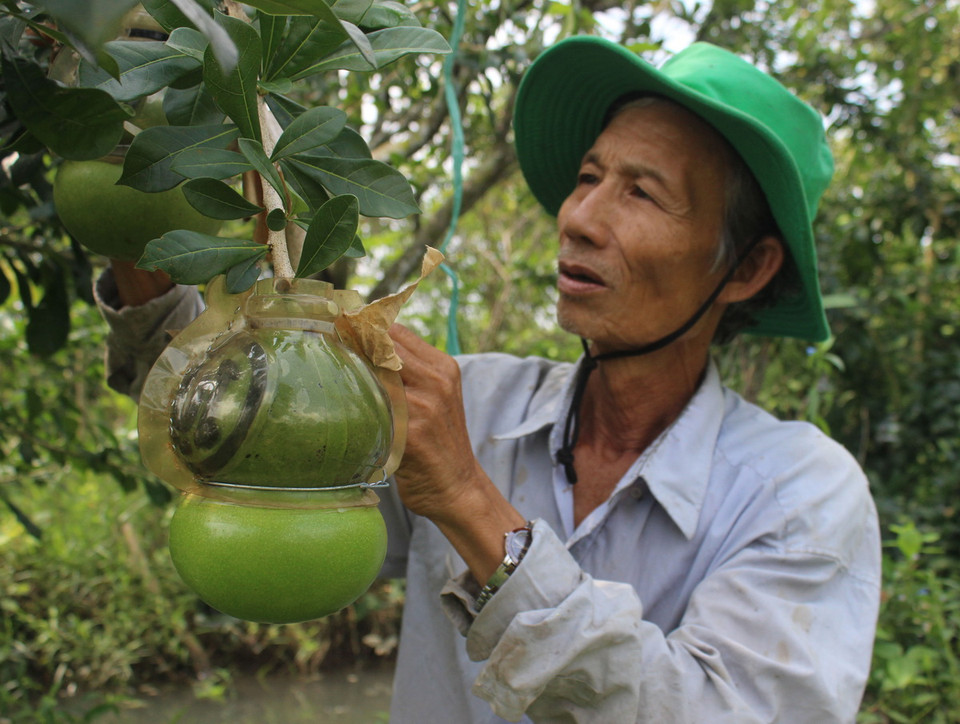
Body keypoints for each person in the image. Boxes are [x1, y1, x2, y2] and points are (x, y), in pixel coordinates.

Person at [95, 35, 880, 723]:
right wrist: (124, 198)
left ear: (747, 267)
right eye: (588, 176)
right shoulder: (473, 400)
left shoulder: (801, 495)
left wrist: (469, 499)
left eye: (642, 192)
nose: (578, 217)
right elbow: (238, 418)